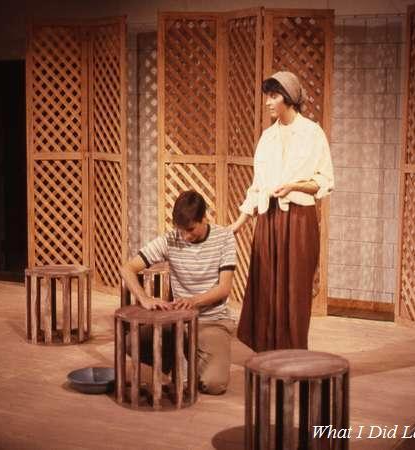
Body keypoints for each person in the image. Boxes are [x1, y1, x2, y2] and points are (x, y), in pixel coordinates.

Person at [231, 71, 334, 352]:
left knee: (294, 290)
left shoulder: (313, 133)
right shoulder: (267, 137)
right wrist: (238, 224)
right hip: (268, 220)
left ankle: (293, 353)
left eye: (273, 96)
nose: (267, 102)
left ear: (288, 99)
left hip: (299, 221)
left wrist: (294, 186)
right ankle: (267, 352)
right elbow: (257, 187)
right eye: (267, 95)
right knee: (266, 286)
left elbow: (325, 181)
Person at [120, 190, 236, 395]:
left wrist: (194, 301)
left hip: (212, 320)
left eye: (190, 230)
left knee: (214, 384)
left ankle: (189, 359)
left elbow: (224, 288)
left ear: (204, 218)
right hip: (178, 321)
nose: (185, 236)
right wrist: (144, 298)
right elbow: (127, 268)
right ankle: (179, 358)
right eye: (181, 230)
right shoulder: (170, 239)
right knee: (131, 343)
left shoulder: (224, 237)